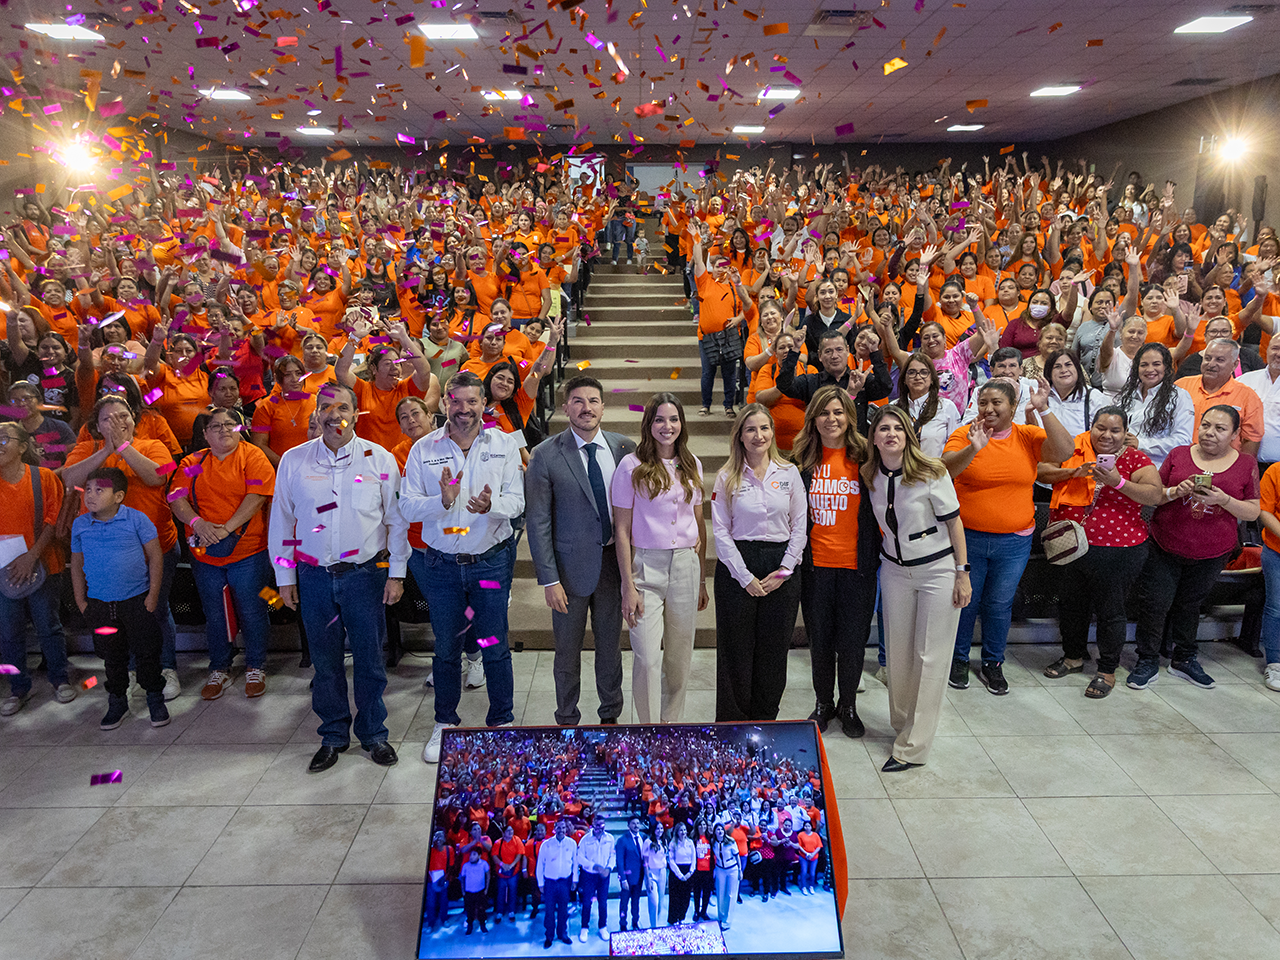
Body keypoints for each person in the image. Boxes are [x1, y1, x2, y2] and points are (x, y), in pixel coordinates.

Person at [269, 382, 409, 773]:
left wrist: (396, 573)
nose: (334, 414)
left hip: (364, 575)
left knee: (369, 659)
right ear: (316, 414)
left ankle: (373, 733)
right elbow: (281, 520)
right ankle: (332, 734)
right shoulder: (293, 460)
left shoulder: (379, 459)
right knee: (326, 662)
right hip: (312, 575)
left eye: (342, 406)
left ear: (356, 412)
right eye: (326, 407)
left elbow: (396, 523)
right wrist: (285, 576)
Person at [402, 370, 525, 762]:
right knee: (447, 648)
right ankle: (445, 723)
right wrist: (440, 501)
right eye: (456, 401)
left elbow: (518, 502)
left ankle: (501, 723)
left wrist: (493, 506)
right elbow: (406, 507)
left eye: (472, 401)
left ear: (483, 405)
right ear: (444, 404)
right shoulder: (424, 448)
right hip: (441, 566)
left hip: (489, 562)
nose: (464, 409)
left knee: (494, 644)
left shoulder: (503, 445)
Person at [942, 378, 1075, 693]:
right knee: (965, 602)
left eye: (997, 403)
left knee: (999, 604)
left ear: (1013, 407)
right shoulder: (965, 433)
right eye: (983, 402)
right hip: (968, 539)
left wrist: (1044, 409)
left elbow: (1064, 451)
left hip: (1014, 541)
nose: (988, 409)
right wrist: (974, 449)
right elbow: (946, 469)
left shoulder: (1026, 436)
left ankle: (993, 662)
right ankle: (958, 659)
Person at [861, 406, 970, 770]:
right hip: (893, 571)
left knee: (930, 656)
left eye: (898, 428)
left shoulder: (931, 471)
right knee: (898, 653)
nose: (891, 434)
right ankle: (903, 724)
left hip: (937, 570)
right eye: (883, 428)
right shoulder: (870, 474)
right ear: (874, 437)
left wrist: (962, 572)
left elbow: (955, 525)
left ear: (909, 435)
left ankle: (913, 747)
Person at [526, 375, 637, 726]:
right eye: (577, 400)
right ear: (565, 407)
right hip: (568, 570)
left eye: (593, 400)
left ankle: (610, 718)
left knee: (610, 650)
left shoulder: (625, 449)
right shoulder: (545, 454)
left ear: (604, 406)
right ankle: (566, 719)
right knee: (567, 653)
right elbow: (538, 521)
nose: (586, 407)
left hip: (612, 564)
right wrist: (548, 579)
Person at [1129, 405, 1261, 691]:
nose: (1209, 433)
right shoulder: (1178, 454)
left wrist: (1223, 500)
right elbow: (1154, 496)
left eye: (1220, 428)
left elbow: (1252, 511)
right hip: (1165, 543)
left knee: (1191, 605)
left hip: (1213, 550)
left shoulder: (1246, 464)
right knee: (1155, 602)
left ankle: (1184, 658)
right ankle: (1147, 659)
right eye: (1205, 425)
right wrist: (1175, 492)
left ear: (1235, 434)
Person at [63, 394, 182, 701]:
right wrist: (105, 450)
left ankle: (165, 667)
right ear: (96, 426)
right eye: (108, 418)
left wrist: (124, 448)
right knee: (116, 614)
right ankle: (129, 670)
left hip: (155, 547)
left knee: (154, 609)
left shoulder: (153, 444)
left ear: (134, 418)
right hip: (106, 555)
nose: (117, 423)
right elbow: (69, 479)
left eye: (123, 416)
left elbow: (159, 476)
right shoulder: (86, 449)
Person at [1038, 407, 1164, 698]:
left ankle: (1107, 670)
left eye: (1115, 430)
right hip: (1070, 545)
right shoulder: (1073, 449)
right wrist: (1072, 471)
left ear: (1125, 433)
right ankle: (1073, 657)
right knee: (1071, 606)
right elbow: (1041, 470)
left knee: (1110, 611)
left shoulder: (1135, 459)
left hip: (1118, 550)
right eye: (1101, 428)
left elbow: (1154, 495)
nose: (1106, 435)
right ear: (1091, 427)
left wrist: (1117, 481)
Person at [169, 408, 276, 700]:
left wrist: (227, 529)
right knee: (215, 613)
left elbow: (257, 497)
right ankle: (219, 667)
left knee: (253, 610)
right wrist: (198, 523)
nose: (223, 430)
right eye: (215, 426)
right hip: (206, 550)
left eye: (230, 424)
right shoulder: (195, 462)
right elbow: (177, 498)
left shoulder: (252, 456)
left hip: (248, 549)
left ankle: (256, 665)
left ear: (241, 429)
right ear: (205, 434)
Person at [613, 393, 708, 724]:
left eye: (673, 419)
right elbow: (622, 531)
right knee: (648, 657)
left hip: (685, 564)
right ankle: (649, 730)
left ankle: (670, 727)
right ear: (648, 424)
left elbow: (698, 523)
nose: (667, 426)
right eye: (659, 419)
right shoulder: (631, 466)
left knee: (679, 658)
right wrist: (628, 585)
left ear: (682, 423)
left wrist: (701, 579)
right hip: (646, 567)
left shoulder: (691, 463)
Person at [792, 385, 880, 735]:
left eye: (838, 412)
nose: (832, 419)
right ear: (813, 418)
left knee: (853, 642)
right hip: (816, 568)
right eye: (824, 412)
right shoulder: (801, 462)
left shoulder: (865, 458)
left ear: (849, 417)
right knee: (821, 642)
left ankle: (848, 705)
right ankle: (823, 703)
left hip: (857, 568)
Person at [711, 403, 806, 720]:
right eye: (750, 429)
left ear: (773, 433)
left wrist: (785, 570)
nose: (758, 435)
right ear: (739, 435)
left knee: (773, 650)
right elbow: (721, 532)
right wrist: (744, 577)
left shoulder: (789, 473)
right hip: (738, 566)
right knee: (735, 650)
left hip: (781, 567)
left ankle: (766, 718)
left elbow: (800, 527)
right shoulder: (727, 477)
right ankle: (733, 721)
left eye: (764, 428)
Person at [69, 467, 168, 729]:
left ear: (118, 496)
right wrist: (81, 600)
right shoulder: (80, 525)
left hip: (136, 601)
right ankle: (117, 700)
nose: (90, 495)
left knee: (147, 652)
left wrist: (152, 596)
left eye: (99, 490)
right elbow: (76, 563)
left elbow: (156, 556)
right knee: (111, 656)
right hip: (100, 605)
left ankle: (155, 697)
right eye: (88, 490)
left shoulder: (137, 520)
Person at [0, 421, 74, 715]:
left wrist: (32, 556)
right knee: (8, 631)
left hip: (43, 563)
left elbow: (53, 519)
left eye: (5, 438)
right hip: (4, 571)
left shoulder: (42, 477)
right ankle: (17, 689)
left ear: (22, 446)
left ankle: (60, 679)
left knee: (48, 625)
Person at [776, 326, 892, 435]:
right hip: (821, 449)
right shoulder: (811, 381)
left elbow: (885, 387)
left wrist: (875, 352)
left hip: (856, 449)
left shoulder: (859, 379)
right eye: (828, 351)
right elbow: (784, 385)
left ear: (847, 351)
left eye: (839, 349)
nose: (834, 356)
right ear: (820, 355)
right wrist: (795, 350)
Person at [1113, 343, 1196, 469]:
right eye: (1144, 365)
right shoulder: (1127, 395)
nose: (1150, 369)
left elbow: (1182, 441)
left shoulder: (1179, 396)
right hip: (1122, 462)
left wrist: (1140, 444)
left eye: (1156, 364)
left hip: (1157, 467)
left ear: (1166, 367)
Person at [1175, 338, 1264, 456]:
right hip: (1182, 460)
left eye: (1220, 360)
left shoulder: (1248, 396)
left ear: (1234, 365)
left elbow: (1251, 440)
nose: (1211, 364)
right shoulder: (1181, 386)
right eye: (1207, 358)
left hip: (1225, 466)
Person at [892, 352, 962, 457]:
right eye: (911, 372)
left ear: (932, 379)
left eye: (924, 372)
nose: (918, 377)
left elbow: (957, 444)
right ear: (904, 380)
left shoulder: (947, 407)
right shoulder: (893, 408)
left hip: (934, 471)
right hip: (902, 471)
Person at [1255, 463, 1280, 692]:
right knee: (1276, 607)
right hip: (1276, 550)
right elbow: (1265, 511)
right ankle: (1275, 662)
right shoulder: (1275, 471)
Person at [535, 817, 578, 949]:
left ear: (566, 829)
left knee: (563, 910)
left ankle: (562, 934)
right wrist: (540, 883)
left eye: (563, 828)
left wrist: (575, 880)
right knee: (549, 910)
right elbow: (539, 866)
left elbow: (575, 863)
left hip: (565, 882)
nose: (561, 830)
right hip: (550, 883)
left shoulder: (572, 843)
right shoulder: (546, 844)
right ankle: (549, 936)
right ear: (554, 829)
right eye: (558, 828)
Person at [576, 813, 616, 942]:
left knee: (603, 902)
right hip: (589, 876)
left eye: (602, 824)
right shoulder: (585, 839)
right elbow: (580, 857)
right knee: (587, 902)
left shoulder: (610, 838)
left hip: (604, 876)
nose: (600, 827)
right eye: (597, 824)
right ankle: (584, 927)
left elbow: (612, 856)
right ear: (593, 824)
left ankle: (602, 927)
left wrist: (608, 868)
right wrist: (594, 866)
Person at [615, 816, 646, 932]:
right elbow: (619, 861)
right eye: (633, 823)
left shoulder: (643, 837)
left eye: (638, 823)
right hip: (627, 878)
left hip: (639, 877)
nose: (636, 825)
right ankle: (623, 923)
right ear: (628, 825)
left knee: (636, 901)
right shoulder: (622, 840)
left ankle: (635, 921)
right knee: (624, 902)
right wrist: (623, 879)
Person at [493, 823, 526, 924]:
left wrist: (512, 865)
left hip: (513, 871)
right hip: (501, 871)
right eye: (508, 831)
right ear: (503, 833)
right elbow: (494, 856)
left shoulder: (517, 840)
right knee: (500, 892)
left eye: (512, 830)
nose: (510, 832)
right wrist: (503, 865)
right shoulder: (498, 843)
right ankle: (499, 912)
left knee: (513, 891)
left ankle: (512, 911)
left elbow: (520, 854)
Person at [424, 831, 455, 932]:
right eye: (436, 836)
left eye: (441, 836)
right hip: (430, 879)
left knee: (444, 901)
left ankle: (444, 919)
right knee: (431, 902)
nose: (438, 838)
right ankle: (430, 923)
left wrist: (446, 877)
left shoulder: (449, 850)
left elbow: (451, 865)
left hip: (443, 879)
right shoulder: (430, 850)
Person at [666, 821, 696, 925]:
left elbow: (694, 859)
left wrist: (690, 872)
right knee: (675, 898)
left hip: (688, 872)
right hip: (676, 873)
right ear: (677, 832)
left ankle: (682, 917)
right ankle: (673, 919)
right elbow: (671, 860)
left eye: (684, 830)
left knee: (686, 897)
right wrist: (680, 875)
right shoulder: (673, 843)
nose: (683, 832)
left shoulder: (690, 843)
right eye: (680, 830)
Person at [713, 821, 741, 929]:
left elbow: (737, 856)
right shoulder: (714, 842)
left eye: (721, 829)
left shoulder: (730, 841)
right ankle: (721, 916)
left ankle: (727, 921)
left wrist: (740, 870)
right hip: (720, 870)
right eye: (717, 829)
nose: (719, 831)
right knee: (720, 893)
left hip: (732, 869)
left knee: (731, 894)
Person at [642, 821, 669, 929]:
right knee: (654, 901)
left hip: (662, 872)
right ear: (653, 829)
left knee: (661, 901)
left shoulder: (664, 841)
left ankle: (657, 923)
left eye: (662, 828)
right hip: (651, 873)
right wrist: (648, 878)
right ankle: (653, 925)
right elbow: (645, 862)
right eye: (658, 828)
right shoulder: (648, 842)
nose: (660, 831)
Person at [460, 846, 490, 935]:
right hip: (469, 892)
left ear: (479, 856)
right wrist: (463, 891)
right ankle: (470, 927)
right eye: (470, 855)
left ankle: (483, 926)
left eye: (474, 854)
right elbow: (462, 878)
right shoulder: (465, 866)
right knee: (469, 910)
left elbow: (488, 876)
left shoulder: (484, 864)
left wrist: (486, 889)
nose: (471, 857)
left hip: (480, 891)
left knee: (482, 910)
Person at [794, 820, 823, 896]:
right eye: (806, 826)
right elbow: (799, 846)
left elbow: (819, 846)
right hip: (804, 856)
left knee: (812, 873)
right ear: (804, 827)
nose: (807, 827)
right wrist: (806, 853)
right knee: (803, 872)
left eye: (808, 826)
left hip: (814, 857)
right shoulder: (800, 834)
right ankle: (803, 887)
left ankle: (811, 886)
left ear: (811, 827)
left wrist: (813, 854)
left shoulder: (816, 835)